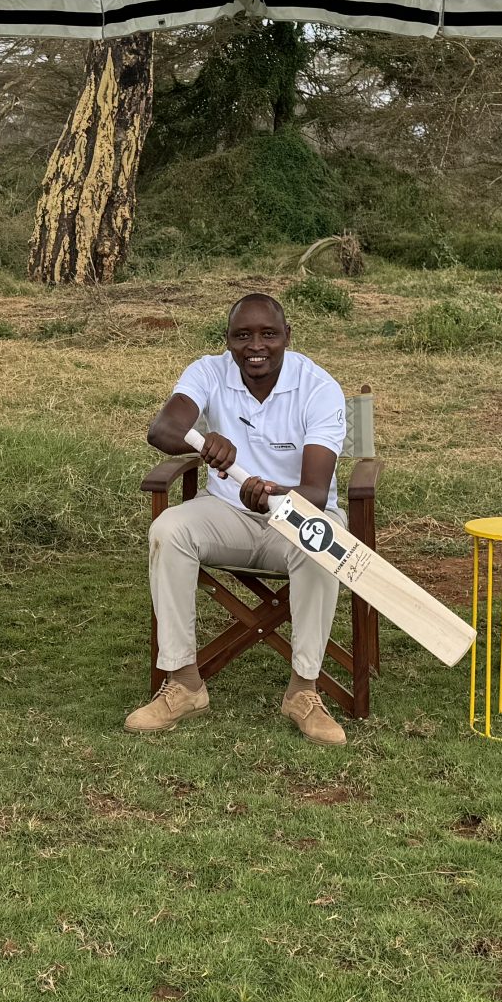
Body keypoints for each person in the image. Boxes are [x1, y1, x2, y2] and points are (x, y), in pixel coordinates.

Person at [128, 293, 348, 746]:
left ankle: (303, 691)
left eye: (268, 334)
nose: (256, 346)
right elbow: (162, 429)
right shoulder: (209, 370)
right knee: (168, 530)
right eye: (242, 335)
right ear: (227, 341)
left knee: (324, 541)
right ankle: (185, 684)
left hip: (296, 514)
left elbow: (315, 491)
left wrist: (269, 492)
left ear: (288, 337)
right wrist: (203, 442)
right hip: (227, 511)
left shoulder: (318, 387)